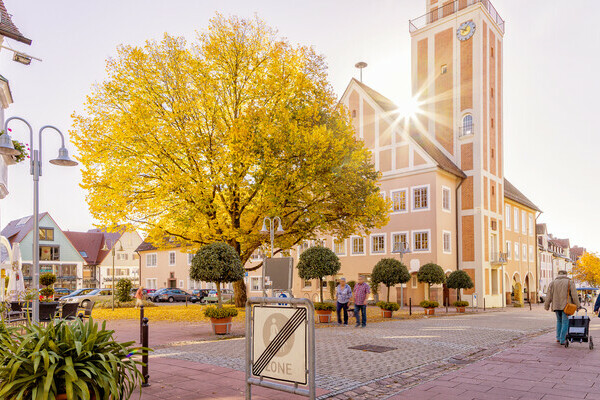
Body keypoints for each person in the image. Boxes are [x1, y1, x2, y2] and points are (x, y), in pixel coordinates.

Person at [544, 270, 580, 344]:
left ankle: (558, 338)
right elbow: (574, 295)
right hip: (566, 306)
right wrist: (578, 305)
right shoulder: (570, 282)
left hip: (556, 306)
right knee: (565, 322)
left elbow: (548, 295)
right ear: (565, 275)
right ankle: (562, 339)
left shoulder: (552, 283)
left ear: (558, 274)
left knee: (559, 321)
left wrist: (546, 305)